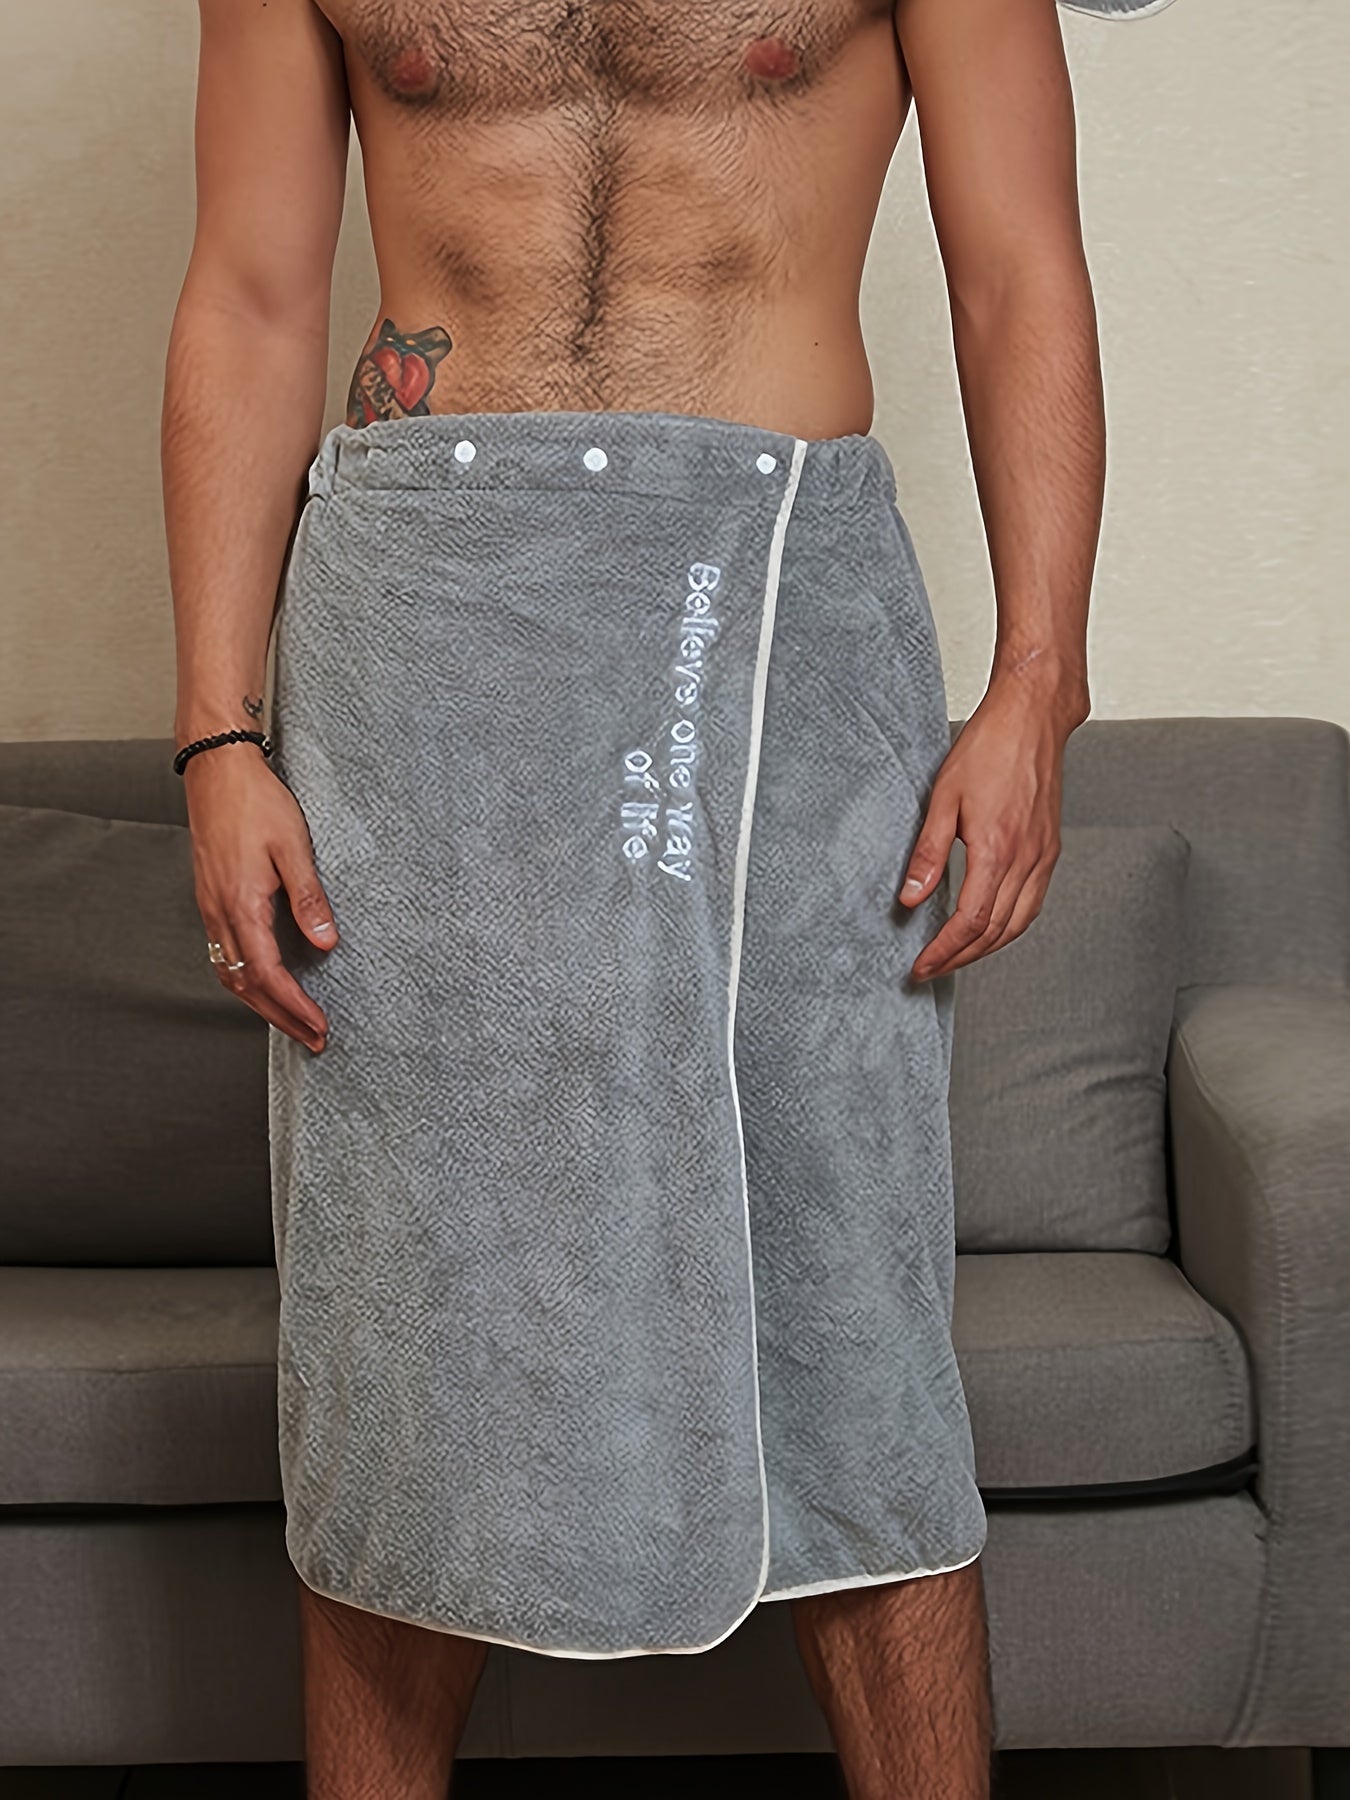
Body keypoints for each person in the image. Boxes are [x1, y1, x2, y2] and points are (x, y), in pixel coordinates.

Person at [163, 0, 1172, 1794]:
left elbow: (1016, 269)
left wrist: (1038, 681)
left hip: (775, 598)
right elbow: (248, 295)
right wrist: (215, 734)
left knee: (844, 1320)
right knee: (408, 1343)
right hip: (419, 634)